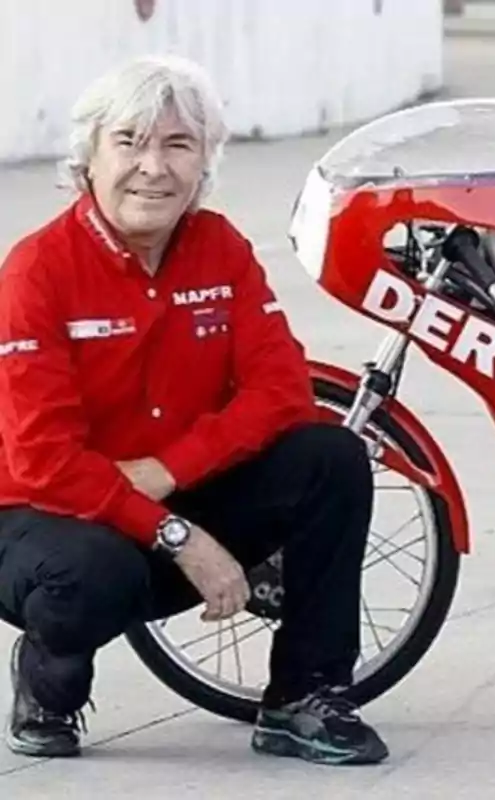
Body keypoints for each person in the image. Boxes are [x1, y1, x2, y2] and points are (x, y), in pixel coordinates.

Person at [0, 54, 388, 766]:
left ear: (205, 163)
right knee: (91, 576)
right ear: (89, 154)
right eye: (130, 142)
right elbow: (43, 460)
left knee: (330, 456)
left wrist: (172, 469)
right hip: (51, 517)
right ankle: (46, 684)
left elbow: (282, 391)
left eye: (178, 145)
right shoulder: (36, 271)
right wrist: (180, 535)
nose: (154, 167)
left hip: (170, 486)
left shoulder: (220, 248)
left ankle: (305, 694)